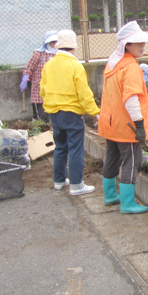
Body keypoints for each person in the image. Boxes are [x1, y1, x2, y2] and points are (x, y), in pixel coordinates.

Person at [98, 21, 148, 214]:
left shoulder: (113, 64)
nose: (142, 46)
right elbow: (131, 99)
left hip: (111, 122)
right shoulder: (131, 67)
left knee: (112, 159)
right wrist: (139, 125)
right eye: (137, 42)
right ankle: (127, 203)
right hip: (127, 126)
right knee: (132, 162)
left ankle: (109, 195)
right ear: (126, 45)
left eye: (143, 42)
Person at [40, 29, 100, 195]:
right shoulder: (75, 66)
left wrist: (50, 107)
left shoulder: (48, 65)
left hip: (54, 112)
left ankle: (59, 180)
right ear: (74, 47)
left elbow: (43, 90)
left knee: (60, 147)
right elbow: (84, 93)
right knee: (75, 148)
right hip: (72, 113)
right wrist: (95, 112)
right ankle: (76, 185)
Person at [20, 30, 58, 122]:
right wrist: (25, 79)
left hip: (55, 86)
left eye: (56, 42)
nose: (54, 44)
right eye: (52, 42)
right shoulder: (39, 53)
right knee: (41, 111)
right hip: (39, 85)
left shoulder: (60, 54)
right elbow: (29, 67)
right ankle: (40, 125)